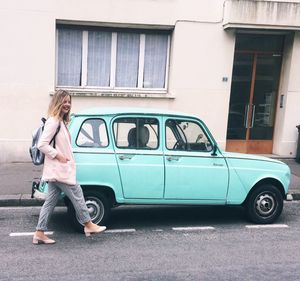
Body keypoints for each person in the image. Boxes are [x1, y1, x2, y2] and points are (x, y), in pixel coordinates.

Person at [33, 89, 106, 245]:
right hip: (60, 169)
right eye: (64, 101)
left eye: (69, 102)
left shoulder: (60, 122)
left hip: (58, 169)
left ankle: (39, 233)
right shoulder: (53, 121)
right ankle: (88, 224)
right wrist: (58, 155)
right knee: (78, 193)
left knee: (50, 202)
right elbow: (42, 144)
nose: (67, 104)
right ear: (57, 102)